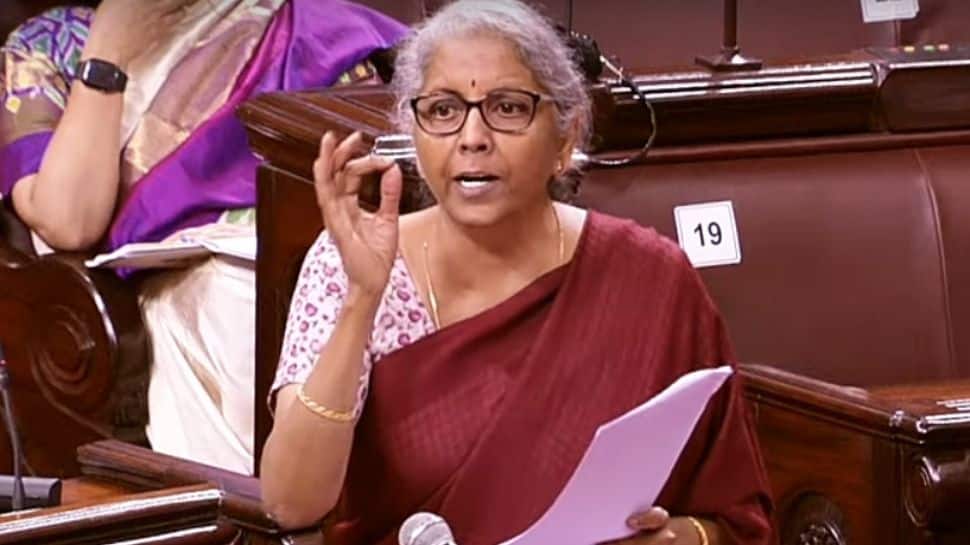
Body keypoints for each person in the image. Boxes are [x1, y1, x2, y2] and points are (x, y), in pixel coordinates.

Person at [261, 0, 774, 543]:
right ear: (414, 133)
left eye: (507, 108)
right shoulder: (348, 263)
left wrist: (679, 538)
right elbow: (290, 503)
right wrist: (362, 298)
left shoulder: (653, 279)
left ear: (566, 137)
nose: (472, 137)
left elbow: (735, 523)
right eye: (443, 110)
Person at [0, 0, 406, 473]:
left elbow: (373, 180)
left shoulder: (299, 26)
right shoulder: (48, 45)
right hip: (175, 282)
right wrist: (109, 49)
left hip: (314, 259)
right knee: (229, 302)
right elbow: (69, 221)